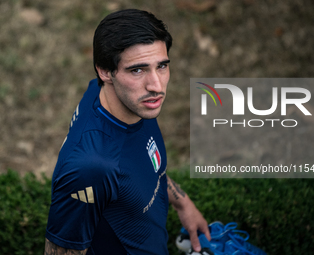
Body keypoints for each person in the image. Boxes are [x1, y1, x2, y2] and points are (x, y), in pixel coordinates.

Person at [44, 9, 210, 255]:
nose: (156, 86)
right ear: (104, 71)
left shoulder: (129, 102)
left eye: (162, 66)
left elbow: (141, 168)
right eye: (137, 70)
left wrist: (183, 203)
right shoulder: (89, 169)